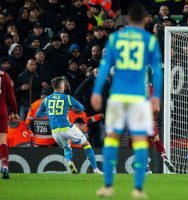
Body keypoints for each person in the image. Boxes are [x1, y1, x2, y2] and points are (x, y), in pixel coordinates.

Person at [91, 3, 162, 199]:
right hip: (139, 97)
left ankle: (107, 186)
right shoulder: (149, 40)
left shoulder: (115, 38)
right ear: (144, 20)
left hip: (118, 96)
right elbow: (157, 71)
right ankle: (138, 189)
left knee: (112, 138)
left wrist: (97, 91)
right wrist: (155, 97)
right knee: (140, 141)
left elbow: (104, 68)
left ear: (129, 20)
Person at [36, 77, 102, 174]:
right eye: (63, 83)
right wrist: (70, 107)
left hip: (55, 131)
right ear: (60, 86)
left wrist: (50, 114)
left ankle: (70, 161)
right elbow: (81, 107)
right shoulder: (66, 97)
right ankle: (96, 169)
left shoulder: (46, 100)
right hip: (67, 128)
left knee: (67, 147)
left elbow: (37, 114)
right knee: (86, 144)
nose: (64, 85)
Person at [0, 66, 19, 179]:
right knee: (2, 140)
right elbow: (11, 96)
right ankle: (5, 165)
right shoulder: (4, 74)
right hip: (2, 110)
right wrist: (15, 112)